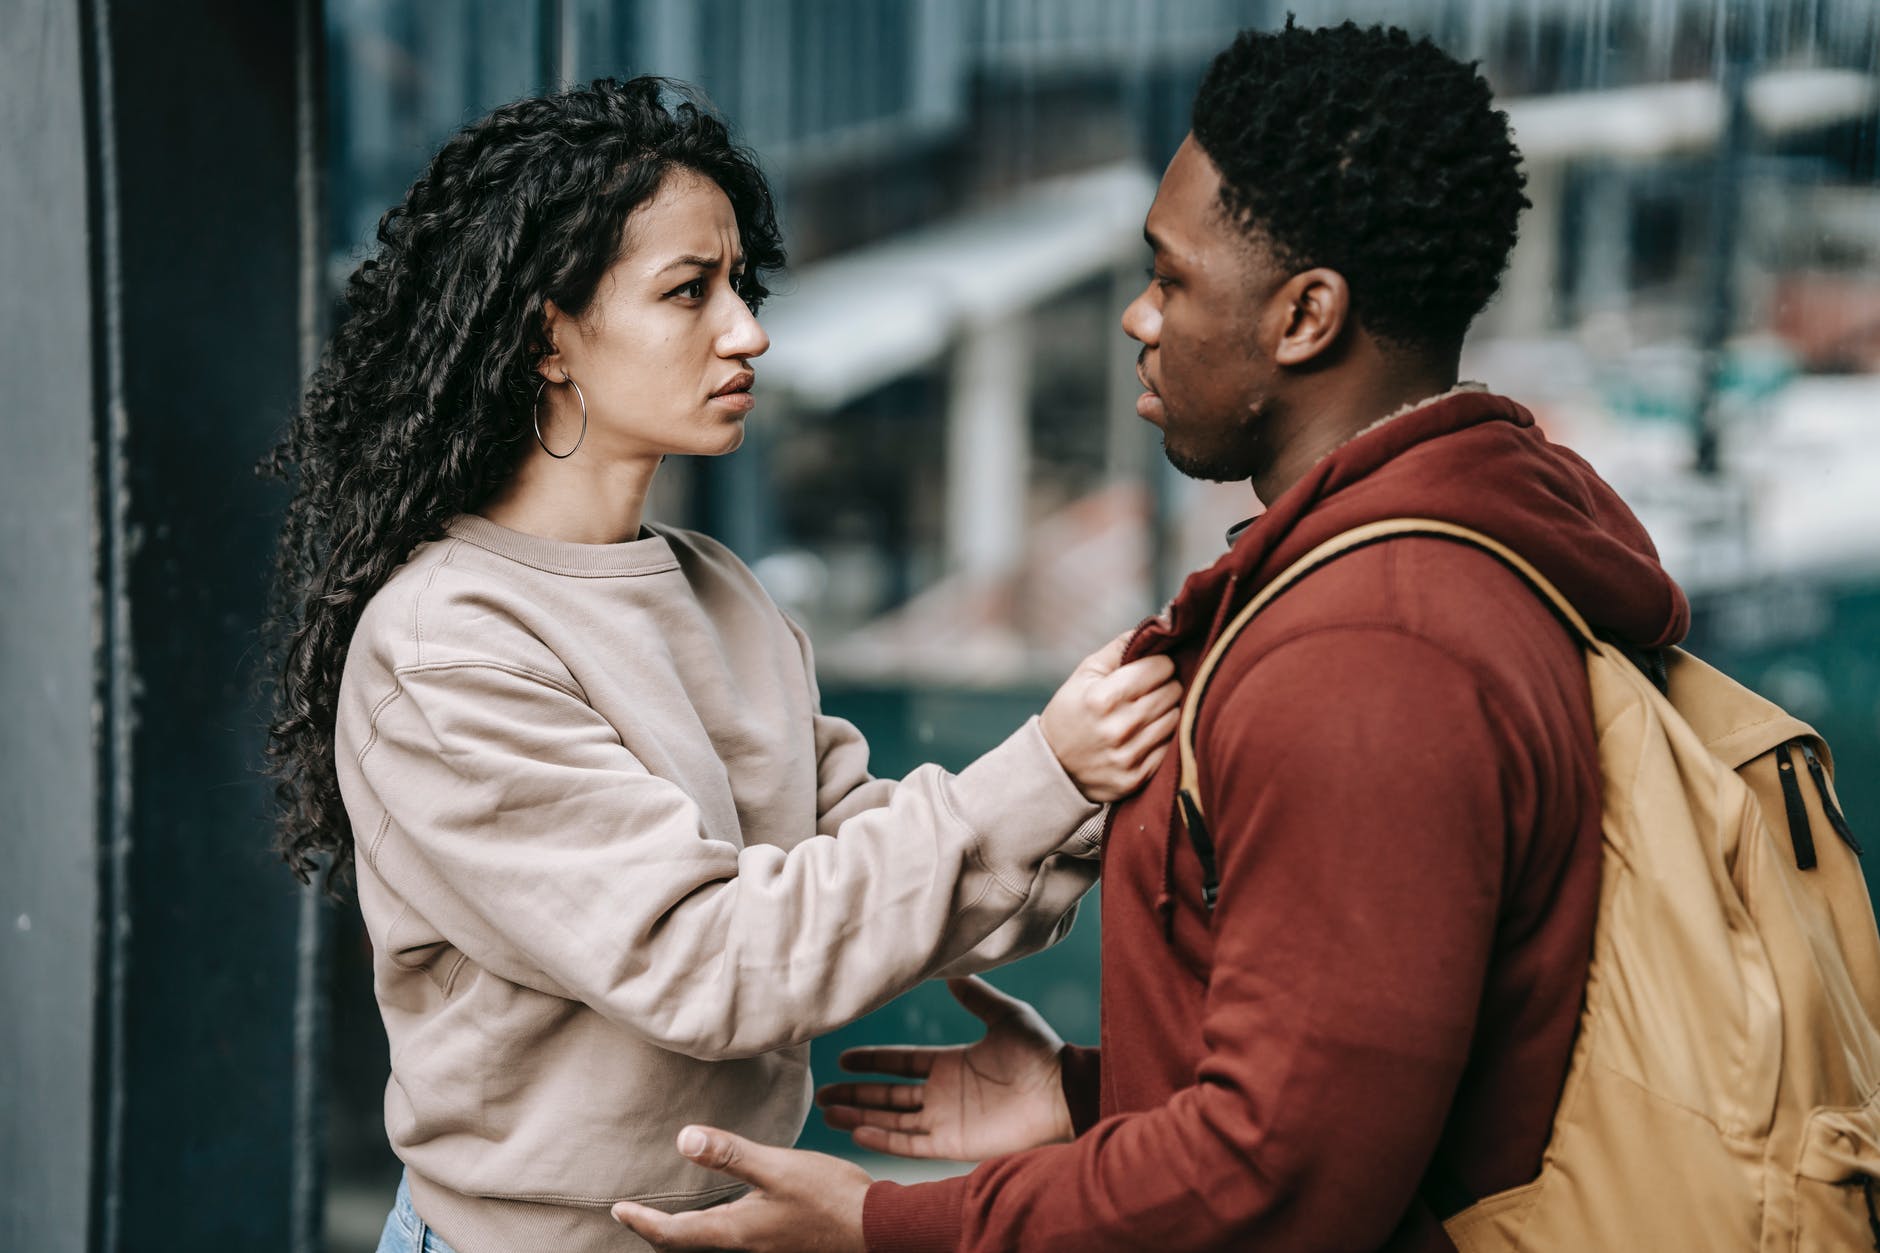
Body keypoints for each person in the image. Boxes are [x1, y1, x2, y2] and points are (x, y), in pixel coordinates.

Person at [611, 20, 1690, 1253]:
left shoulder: (1369, 657)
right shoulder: (1427, 568)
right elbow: (1355, 1068)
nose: (1137, 315)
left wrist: (884, 1224)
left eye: (1169, 278)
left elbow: (1277, 1180)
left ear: (1304, 315)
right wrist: (1088, 1096)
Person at [261, 77, 1183, 1253]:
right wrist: (1046, 769)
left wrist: (1106, 784)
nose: (747, 331)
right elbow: (709, 959)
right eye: (688, 291)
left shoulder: (720, 589)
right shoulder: (446, 642)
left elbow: (871, 877)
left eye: (741, 287)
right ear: (548, 334)